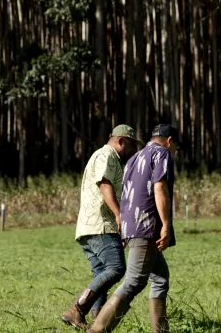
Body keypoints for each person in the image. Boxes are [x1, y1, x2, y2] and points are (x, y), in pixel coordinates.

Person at [90, 123, 179, 333]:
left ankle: (161, 330)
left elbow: (127, 192)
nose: (175, 151)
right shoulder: (162, 154)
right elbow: (160, 186)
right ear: (169, 141)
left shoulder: (133, 158)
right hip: (147, 226)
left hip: (132, 226)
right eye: (176, 146)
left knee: (160, 278)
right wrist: (165, 224)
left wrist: (125, 228)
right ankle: (97, 330)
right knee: (133, 282)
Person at [60, 124, 140, 330]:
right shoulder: (107, 155)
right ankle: (77, 309)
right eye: (131, 144)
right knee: (116, 268)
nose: (133, 150)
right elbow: (104, 184)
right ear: (121, 140)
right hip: (100, 225)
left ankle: (97, 321)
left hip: (88, 227)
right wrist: (118, 214)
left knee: (101, 274)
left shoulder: (106, 156)